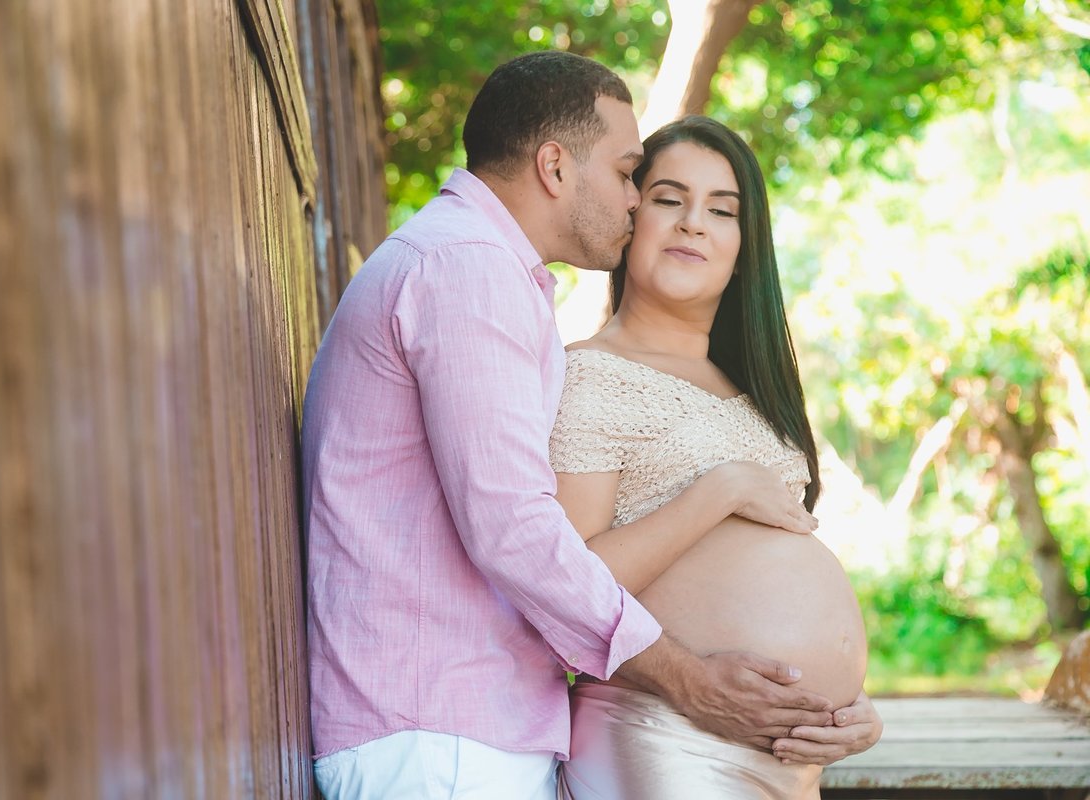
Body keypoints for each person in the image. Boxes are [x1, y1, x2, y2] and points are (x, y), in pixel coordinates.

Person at [303, 52, 874, 800]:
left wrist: (840, 700)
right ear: (554, 167)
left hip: (477, 728)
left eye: (722, 209)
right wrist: (687, 678)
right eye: (631, 175)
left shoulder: (489, 274)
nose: (634, 201)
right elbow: (517, 533)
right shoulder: (467, 270)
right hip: (440, 734)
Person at [550, 115, 878, 799]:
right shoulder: (590, 376)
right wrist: (718, 491)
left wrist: (852, 708)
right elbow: (566, 587)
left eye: (722, 210)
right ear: (630, 216)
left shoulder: (755, 395)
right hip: (669, 738)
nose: (694, 223)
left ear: (743, 244)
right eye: (669, 199)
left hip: (791, 758)